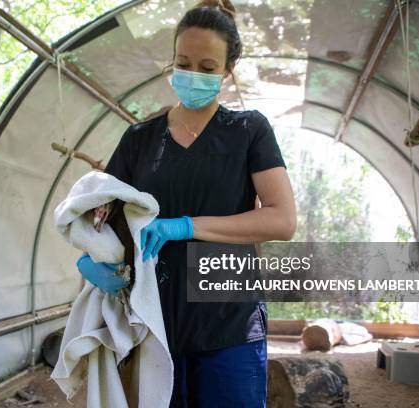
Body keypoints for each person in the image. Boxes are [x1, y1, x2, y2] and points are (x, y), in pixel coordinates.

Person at [76, 0, 297, 406]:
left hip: (228, 323)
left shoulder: (248, 131)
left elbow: (282, 220)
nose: (193, 75)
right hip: (155, 324)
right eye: (184, 62)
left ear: (228, 71)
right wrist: (90, 264)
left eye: (208, 68)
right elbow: (99, 214)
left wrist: (187, 226)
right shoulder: (140, 139)